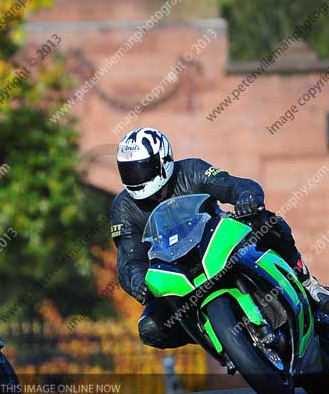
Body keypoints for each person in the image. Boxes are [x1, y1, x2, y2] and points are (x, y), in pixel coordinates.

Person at [109, 127, 329, 349]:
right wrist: (137, 282)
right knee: (150, 327)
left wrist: (246, 197)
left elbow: (233, 185)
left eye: (142, 168)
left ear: (163, 160)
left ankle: (307, 282)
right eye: (128, 171)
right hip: (175, 273)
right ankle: (217, 337)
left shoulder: (192, 170)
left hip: (219, 245)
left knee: (264, 221)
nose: (136, 177)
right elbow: (129, 258)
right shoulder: (123, 208)